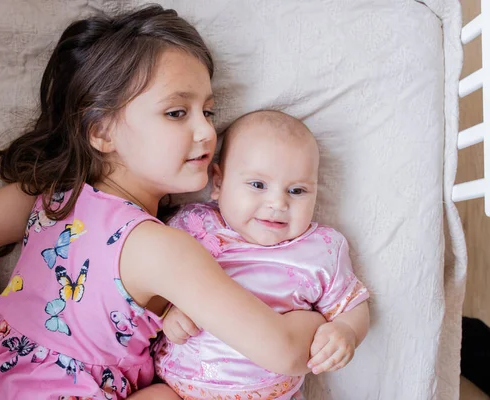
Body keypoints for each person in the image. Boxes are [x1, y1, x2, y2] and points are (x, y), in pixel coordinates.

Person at [0, 7, 326, 400]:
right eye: (177, 113)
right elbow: (284, 352)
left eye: (208, 112)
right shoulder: (159, 248)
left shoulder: (56, 192)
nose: (207, 131)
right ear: (101, 131)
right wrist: (325, 321)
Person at [155, 111, 370, 400]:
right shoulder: (193, 226)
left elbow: (352, 304)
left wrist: (346, 332)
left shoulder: (320, 249)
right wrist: (169, 310)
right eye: (258, 185)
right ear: (218, 183)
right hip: (177, 388)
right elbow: (153, 280)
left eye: (297, 190)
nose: (278, 202)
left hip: (271, 394)